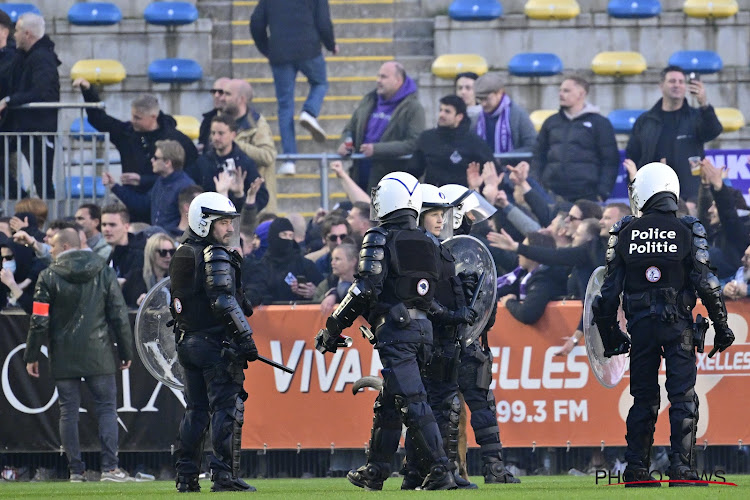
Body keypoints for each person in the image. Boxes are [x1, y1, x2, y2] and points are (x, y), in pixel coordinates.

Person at [593, 162, 735, 486]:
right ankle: (682, 470)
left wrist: (610, 334)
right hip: (679, 327)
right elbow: (707, 283)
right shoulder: (688, 229)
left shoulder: (625, 231)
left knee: (643, 398)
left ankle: (636, 470)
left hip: (641, 328)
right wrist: (723, 325)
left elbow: (606, 295)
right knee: (683, 396)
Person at [315, 172, 457, 491]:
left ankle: (440, 470)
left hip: (397, 332)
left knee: (414, 401)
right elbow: (436, 290)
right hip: (425, 331)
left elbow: (364, 289)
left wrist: (333, 325)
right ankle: (376, 470)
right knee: (390, 402)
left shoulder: (379, 237)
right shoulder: (429, 241)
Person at [24, 228, 134, 482]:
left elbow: (38, 320)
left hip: (63, 355)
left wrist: (31, 354)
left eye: (52, 247)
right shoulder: (105, 271)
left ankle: (75, 471)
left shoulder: (47, 276)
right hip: (100, 354)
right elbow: (119, 315)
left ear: (64, 247)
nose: (50, 251)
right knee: (107, 410)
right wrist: (126, 351)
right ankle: (110, 468)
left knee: (68, 412)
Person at [170, 192, 258, 493]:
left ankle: (186, 476)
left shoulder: (182, 252)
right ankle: (224, 475)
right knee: (227, 408)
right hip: (214, 345)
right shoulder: (214, 254)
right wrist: (246, 339)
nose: (229, 229)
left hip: (187, 342)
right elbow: (223, 301)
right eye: (222, 222)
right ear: (204, 222)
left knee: (195, 411)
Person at [440, 184, 520, 484]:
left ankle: (443, 469)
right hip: (469, 344)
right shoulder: (468, 254)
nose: (473, 219)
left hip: (445, 344)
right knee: (481, 406)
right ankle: (494, 468)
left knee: (445, 408)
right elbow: (487, 303)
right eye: (468, 214)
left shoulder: (435, 249)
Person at [402, 184, 477, 490]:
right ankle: (436, 472)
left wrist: (464, 290)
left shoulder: (436, 245)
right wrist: (451, 314)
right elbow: (421, 296)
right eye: (433, 213)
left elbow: (442, 288)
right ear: (418, 215)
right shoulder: (421, 247)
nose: (440, 219)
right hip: (432, 338)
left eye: (442, 214)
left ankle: (424, 473)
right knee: (436, 409)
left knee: (435, 409)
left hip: (445, 338)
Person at [250, 0, 337, 175]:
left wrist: (267, 49)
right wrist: (331, 44)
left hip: (280, 54)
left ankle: (290, 159)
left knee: (285, 106)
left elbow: (256, 22)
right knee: (320, 83)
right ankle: (310, 111)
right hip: (309, 49)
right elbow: (323, 21)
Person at [74, 79, 198, 197]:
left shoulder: (177, 140)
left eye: (138, 118)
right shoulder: (126, 133)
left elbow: (188, 174)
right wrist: (88, 91)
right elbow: (99, 119)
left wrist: (143, 180)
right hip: (131, 199)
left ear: (153, 117)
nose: (133, 121)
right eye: (132, 116)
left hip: (165, 202)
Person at [625, 66, 723, 203]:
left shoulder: (696, 116)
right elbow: (633, 156)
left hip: (690, 197)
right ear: (661, 86)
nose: (677, 85)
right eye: (672, 81)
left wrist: (704, 105)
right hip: (653, 196)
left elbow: (713, 131)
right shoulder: (646, 120)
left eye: (681, 82)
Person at [337, 61, 426, 192]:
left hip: (390, 183)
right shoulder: (369, 100)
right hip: (361, 176)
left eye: (384, 77)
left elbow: (413, 143)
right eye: (378, 76)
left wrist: (377, 150)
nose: (378, 80)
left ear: (398, 80)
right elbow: (350, 129)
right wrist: (345, 142)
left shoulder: (413, 108)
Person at [531, 75, 619, 202]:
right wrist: (538, 186)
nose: (561, 94)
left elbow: (610, 161)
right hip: (552, 195)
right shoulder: (551, 122)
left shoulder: (600, 123)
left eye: (566, 91)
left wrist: (602, 193)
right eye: (560, 90)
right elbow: (538, 157)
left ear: (581, 94)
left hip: (587, 196)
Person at [0, 12, 60, 198]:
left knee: (42, 181)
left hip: (38, 129)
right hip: (23, 127)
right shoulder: (25, 56)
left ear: (27, 34)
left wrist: (9, 101)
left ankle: (48, 216)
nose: (13, 35)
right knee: (41, 180)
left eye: (17, 31)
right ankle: (23, 199)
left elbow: (43, 92)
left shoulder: (42, 58)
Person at [104, 139, 196, 234]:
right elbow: (142, 204)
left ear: (167, 163)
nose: (152, 160)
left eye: (156, 158)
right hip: (158, 239)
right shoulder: (160, 182)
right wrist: (115, 187)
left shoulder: (186, 186)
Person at [409, 95, 495, 188]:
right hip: (433, 196)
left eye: (447, 111)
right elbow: (413, 170)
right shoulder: (427, 138)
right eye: (441, 110)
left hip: (462, 197)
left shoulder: (473, 142)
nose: (441, 114)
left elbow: (491, 170)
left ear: (459, 117)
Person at [186, 115, 268, 211]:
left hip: (238, 221)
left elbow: (262, 196)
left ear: (233, 135)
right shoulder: (202, 162)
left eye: (221, 133)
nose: (216, 137)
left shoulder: (245, 162)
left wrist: (245, 206)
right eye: (213, 133)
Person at [224, 79, 278, 212]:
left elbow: (268, 156)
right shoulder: (220, 123)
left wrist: (235, 144)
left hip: (256, 202)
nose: (223, 98)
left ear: (241, 99)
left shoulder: (257, 125)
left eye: (228, 94)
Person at [243, 217, 323, 304]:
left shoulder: (306, 265)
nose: (287, 239)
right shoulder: (261, 267)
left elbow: (323, 290)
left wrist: (315, 292)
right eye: (284, 235)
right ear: (274, 236)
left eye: (290, 236)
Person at [496, 231, 568, 325]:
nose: (519, 254)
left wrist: (509, 302)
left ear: (534, 253)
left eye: (524, 249)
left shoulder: (545, 279)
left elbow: (528, 314)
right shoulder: (521, 275)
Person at [472, 72, 537, 155]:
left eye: (487, 99)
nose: (483, 104)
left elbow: (532, 146)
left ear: (500, 93)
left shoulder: (518, 115)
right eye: (480, 99)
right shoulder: (475, 119)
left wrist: (505, 158)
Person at [122, 232, 176, 308]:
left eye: (171, 252)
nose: (168, 256)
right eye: (162, 252)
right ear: (151, 253)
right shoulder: (135, 277)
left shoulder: (178, 279)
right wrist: (139, 302)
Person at [101, 203, 144, 283]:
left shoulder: (139, 255)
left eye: (112, 225)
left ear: (126, 227)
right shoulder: (109, 255)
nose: (106, 229)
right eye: (104, 225)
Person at [314, 242, 357, 314]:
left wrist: (336, 294)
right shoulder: (326, 284)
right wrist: (327, 296)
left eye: (337, 259)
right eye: (332, 259)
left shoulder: (365, 283)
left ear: (353, 261)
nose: (332, 262)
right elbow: (314, 305)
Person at [198, 77, 231, 151]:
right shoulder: (207, 120)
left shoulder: (243, 119)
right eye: (214, 92)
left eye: (221, 92)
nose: (216, 96)